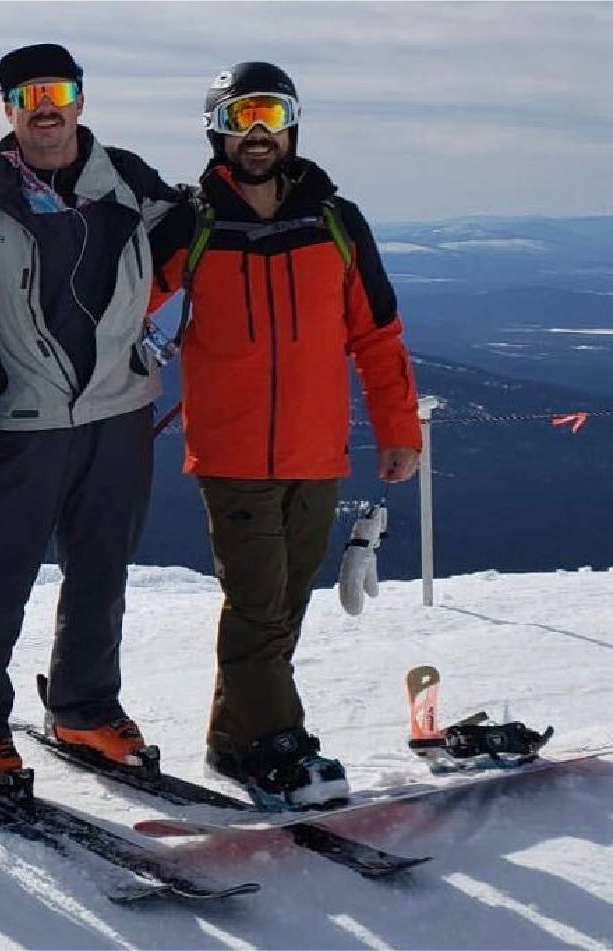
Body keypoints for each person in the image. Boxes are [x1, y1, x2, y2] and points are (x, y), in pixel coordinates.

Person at [147, 62, 422, 809]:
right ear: (217, 131)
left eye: (269, 113)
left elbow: (376, 333)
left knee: (285, 602)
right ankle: (279, 743)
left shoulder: (334, 220)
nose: (258, 132)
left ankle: (231, 740)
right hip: (232, 452)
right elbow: (125, 302)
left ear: (293, 123)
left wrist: (398, 428)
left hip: (314, 448)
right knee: (256, 603)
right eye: (241, 117)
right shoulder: (193, 221)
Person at [0, 43, 181, 792]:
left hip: (118, 410)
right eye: (27, 93)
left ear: (79, 98)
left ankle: (83, 706)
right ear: (6, 106)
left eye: (58, 90)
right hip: (19, 420)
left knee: (100, 571)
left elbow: (195, 244)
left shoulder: (129, 182)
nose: (45, 105)